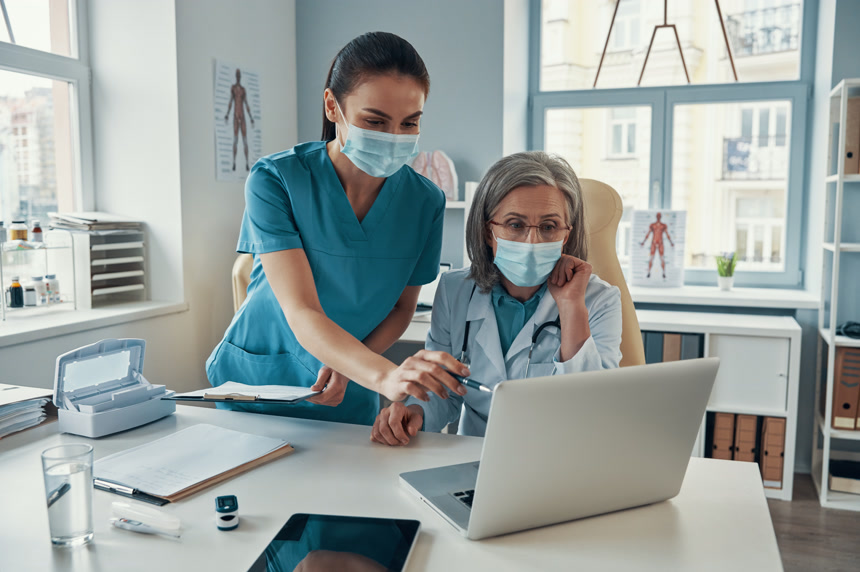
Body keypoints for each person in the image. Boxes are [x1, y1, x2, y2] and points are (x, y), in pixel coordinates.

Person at [206, 32, 470, 426]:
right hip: (259, 382)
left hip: (347, 388)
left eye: (409, 123)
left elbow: (401, 308)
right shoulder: (277, 179)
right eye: (375, 121)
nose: (393, 137)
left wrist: (351, 366)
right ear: (333, 106)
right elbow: (302, 309)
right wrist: (383, 374)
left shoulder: (425, 202)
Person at [370, 152, 623, 445]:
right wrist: (414, 413)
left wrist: (571, 308)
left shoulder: (599, 300)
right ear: (487, 231)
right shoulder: (455, 291)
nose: (533, 241)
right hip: (476, 457)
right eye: (515, 225)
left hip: (560, 460)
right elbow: (444, 392)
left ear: (567, 234)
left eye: (549, 226)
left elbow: (593, 410)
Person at [224, 68, 256, 172]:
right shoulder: (233, 88)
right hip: (235, 114)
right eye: (237, 74)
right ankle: (234, 162)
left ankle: (247, 163)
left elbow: (246, 103)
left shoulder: (243, 89)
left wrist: (251, 117)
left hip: (242, 115)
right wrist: (227, 114)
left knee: (245, 140)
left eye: (239, 75)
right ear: (235, 76)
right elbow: (230, 101)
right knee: (235, 139)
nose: (238, 76)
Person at [639, 211, 674, 279]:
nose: (658, 217)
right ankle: (648, 272)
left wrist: (671, 242)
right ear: (656, 217)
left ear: (660, 217)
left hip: (660, 243)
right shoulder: (652, 225)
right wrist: (643, 241)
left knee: (662, 258)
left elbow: (667, 234)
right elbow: (648, 233)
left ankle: (664, 273)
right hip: (654, 243)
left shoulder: (663, 225)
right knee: (651, 258)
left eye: (659, 216)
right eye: (657, 216)